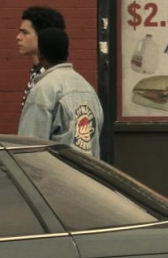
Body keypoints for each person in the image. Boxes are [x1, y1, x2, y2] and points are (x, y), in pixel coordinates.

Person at [18, 26, 104, 159]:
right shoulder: (88, 90)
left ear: (41, 53)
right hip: (86, 170)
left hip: (55, 171)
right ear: (66, 52)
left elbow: (28, 148)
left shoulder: (43, 89)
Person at [17, 5, 65, 109]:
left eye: (25, 33)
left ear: (43, 36)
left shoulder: (51, 78)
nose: (18, 37)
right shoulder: (38, 73)